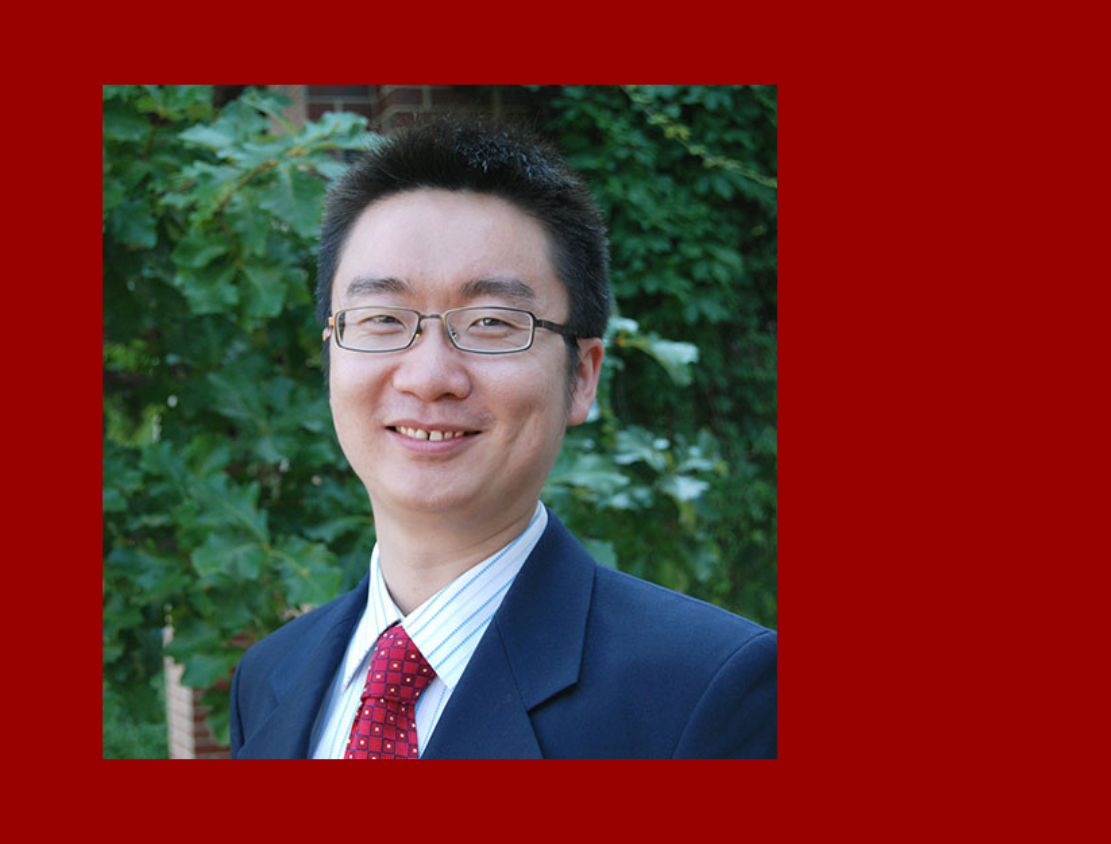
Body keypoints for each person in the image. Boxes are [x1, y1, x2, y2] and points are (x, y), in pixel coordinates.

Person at [228, 118, 776, 758]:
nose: (430, 376)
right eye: (381, 319)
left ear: (582, 377)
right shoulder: (269, 679)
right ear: (331, 355)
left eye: (492, 321)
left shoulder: (710, 691)